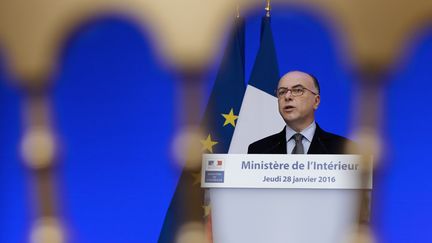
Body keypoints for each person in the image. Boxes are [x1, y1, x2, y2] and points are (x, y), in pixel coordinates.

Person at [248, 70, 353, 154]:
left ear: (316, 101)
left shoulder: (344, 150)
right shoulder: (258, 150)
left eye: (297, 90)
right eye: (282, 92)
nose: (287, 96)